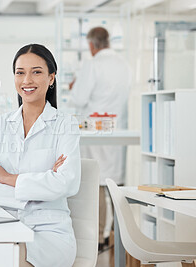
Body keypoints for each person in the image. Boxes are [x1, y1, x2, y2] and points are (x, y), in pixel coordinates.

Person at [0, 44, 81, 267]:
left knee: (13, 259)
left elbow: (67, 183)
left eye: (36, 72)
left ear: (51, 78)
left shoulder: (66, 125)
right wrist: (44, 183)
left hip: (49, 231)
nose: (27, 80)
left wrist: (7, 177)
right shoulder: (0, 125)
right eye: (20, 73)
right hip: (4, 224)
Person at [69, 27, 132, 250]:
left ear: (91, 45)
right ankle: (120, 237)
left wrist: (73, 86)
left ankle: (97, 238)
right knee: (116, 182)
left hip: (96, 129)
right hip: (118, 129)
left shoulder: (92, 64)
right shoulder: (124, 65)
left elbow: (78, 97)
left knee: (96, 183)